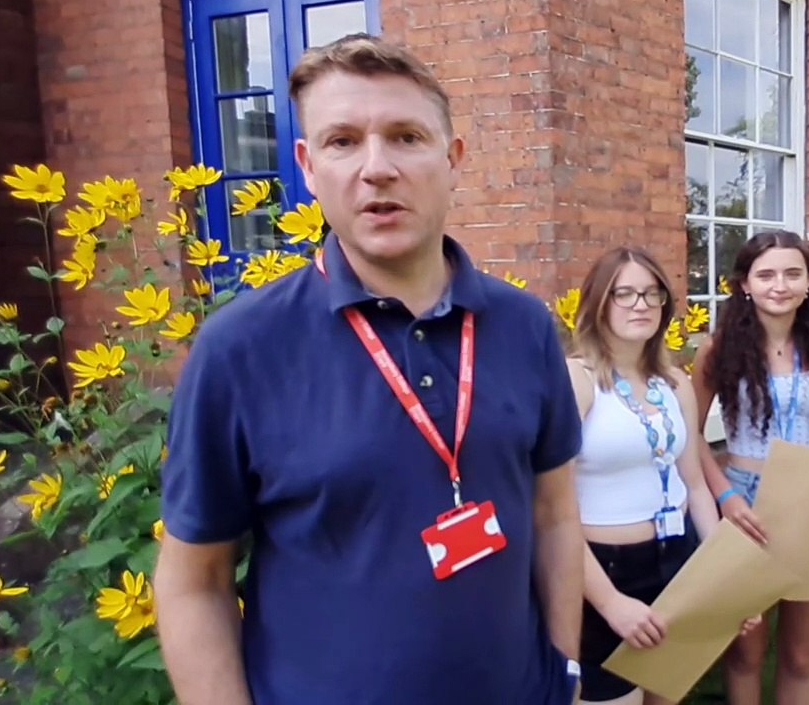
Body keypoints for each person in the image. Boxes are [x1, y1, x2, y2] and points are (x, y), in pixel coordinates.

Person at [154, 34, 584, 704]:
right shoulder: (239, 349)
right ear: (307, 164)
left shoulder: (524, 326)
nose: (376, 167)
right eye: (343, 141)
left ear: (454, 159)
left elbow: (555, 513)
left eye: (407, 137)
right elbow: (193, 583)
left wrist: (567, 673)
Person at [692, 230, 809, 705]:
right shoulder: (719, 348)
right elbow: (687, 434)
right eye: (766, 274)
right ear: (745, 283)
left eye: (793, 273)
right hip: (746, 498)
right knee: (746, 652)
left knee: (801, 656)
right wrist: (724, 496)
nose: (780, 285)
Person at [565, 247, 725, 705]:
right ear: (598, 302)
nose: (641, 304)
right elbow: (551, 508)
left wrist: (719, 574)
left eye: (652, 294)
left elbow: (694, 484)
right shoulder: (577, 379)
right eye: (625, 293)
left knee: (665, 694)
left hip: (674, 558)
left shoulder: (674, 383)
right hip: (602, 570)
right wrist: (610, 603)